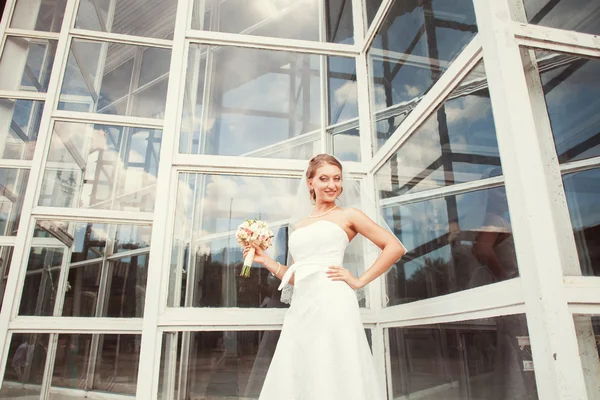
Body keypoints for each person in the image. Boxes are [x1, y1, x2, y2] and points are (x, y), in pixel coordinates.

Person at [244, 154, 406, 399]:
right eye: (324, 178)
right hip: (302, 305)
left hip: (333, 301)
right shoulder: (299, 224)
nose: (332, 185)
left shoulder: (349, 215)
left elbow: (394, 247)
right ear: (310, 182)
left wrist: (359, 280)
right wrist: (266, 261)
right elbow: (298, 275)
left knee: (333, 366)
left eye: (337, 179)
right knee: (303, 369)